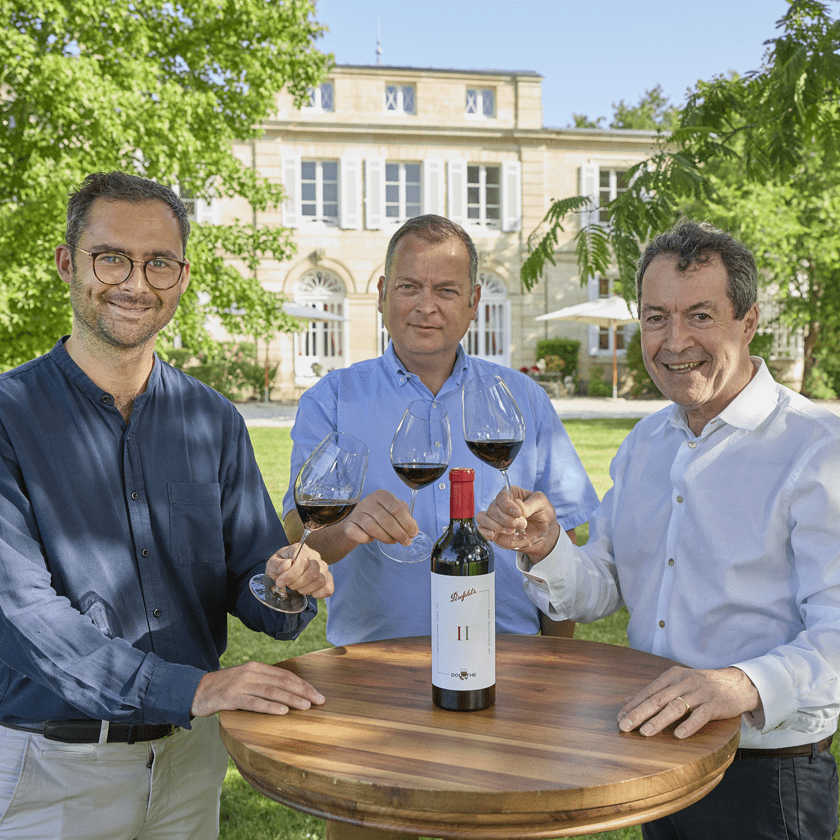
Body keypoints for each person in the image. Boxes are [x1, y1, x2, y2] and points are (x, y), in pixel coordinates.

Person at [479, 219, 840, 839]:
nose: (675, 341)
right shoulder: (646, 442)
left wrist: (740, 684)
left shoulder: (816, 450)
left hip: (767, 774)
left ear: (748, 322)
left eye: (700, 315)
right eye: (655, 318)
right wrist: (546, 547)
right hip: (656, 758)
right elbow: (605, 585)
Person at [0, 171, 333, 840]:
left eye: (158, 262)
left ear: (181, 276)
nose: (136, 281)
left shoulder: (213, 420)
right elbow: (25, 616)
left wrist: (288, 586)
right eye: (111, 257)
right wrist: (198, 690)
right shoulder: (9, 417)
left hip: (188, 763)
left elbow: (253, 577)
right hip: (49, 772)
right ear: (69, 263)